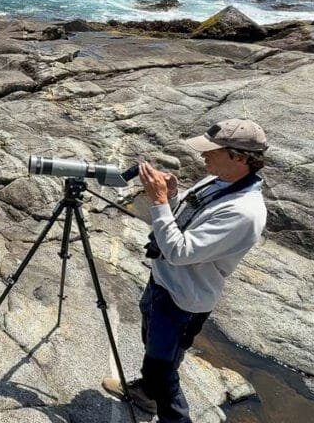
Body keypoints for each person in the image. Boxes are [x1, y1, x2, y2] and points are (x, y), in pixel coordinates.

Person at [102, 118, 269, 422]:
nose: (203, 156)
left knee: (164, 369)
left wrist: (158, 201)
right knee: (153, 343)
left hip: (183, 300)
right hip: (164, 283)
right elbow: (184, 224)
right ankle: (147, 394)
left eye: (212, 151)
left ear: (240, 158)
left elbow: (179, 252)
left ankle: (169, 410)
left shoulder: (244, 212)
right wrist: (174, 196)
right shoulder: (218, 180)